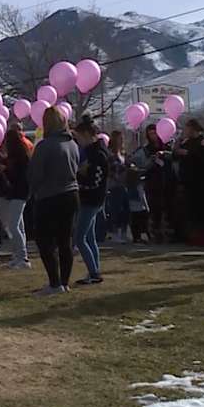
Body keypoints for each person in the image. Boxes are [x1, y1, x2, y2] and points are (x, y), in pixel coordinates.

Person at [28, 107, 80, 296]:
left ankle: (54, 282)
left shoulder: (44, 146)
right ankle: (64, 282)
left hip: (49, 196)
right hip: (71, 194)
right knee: (65, 240)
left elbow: (36, 174)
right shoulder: (73, 144)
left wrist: (32, 191)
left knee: (45, 241)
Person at [72, 116, 110, 285]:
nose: (78, 141)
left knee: (79, 238)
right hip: (92, 199)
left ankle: (94, 272)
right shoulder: (92, 153)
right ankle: (94, 271)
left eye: (79, 137)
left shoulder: (98, 155)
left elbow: (94, 182)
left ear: (87, 134)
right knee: (89, 237)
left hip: (92, 200)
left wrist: (78, 181)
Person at [176, 118, 204, 246]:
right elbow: (176, 156)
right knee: (191, 212)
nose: (185, 131)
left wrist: (188, 153)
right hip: (188, 183)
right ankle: (193, 238)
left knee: (202, 212)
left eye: (187, 128)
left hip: (201, 183)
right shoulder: (186, 142)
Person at [132, 124, 173, 243]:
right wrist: (152, 160)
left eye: (155, 133)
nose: (153, 136)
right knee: (155, 208)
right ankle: (155, 233)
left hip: (167, 180)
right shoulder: (146, 149)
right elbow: (143, 166)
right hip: (153, 181)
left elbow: (173, 159)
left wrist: (164, 154)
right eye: (150, 134)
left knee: (167, 207)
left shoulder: (166, 145)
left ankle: (168, 232)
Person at [1, 127, 32, 269]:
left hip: (18, 192)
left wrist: (5, 171)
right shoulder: (23, 155)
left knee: (13, 225)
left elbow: (16, 176)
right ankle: (19, 255)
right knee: (19, 225)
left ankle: (22, 256)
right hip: (22, 192)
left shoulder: (18, 158)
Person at [105, 131, 131, 243]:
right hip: (114, 185)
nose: (121, 141)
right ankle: (114, 232)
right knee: (116, 209)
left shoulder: (123, 153)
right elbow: (111, 170)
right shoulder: (110, 154)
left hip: (124, 185)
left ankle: (124, 232)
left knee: (126, 209)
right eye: (119, 138)